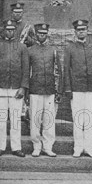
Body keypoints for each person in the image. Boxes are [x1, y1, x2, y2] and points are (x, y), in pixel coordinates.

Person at [64, 19, 92, 158]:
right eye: (79, 30)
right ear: (75, 32)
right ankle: (78, 147)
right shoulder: (70, 48)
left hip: (91, 87)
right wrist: (68, 88)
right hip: (76, 88)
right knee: (78, 118)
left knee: (90, 118)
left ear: (87, 31)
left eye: (84, 30)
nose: (81, 32)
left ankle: (89, 148)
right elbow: (66, 69)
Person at [0, 19, 29, 157]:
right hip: (1, 87)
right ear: (4, 31)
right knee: (1, 119)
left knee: (15, 119)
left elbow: (26, 69)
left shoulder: (22, 47)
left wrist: (23, 87)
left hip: (16, 88)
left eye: (12, 29)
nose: (10, 32)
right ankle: (0, 146)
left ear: (15, 31)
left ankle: (16, 147)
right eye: (7, 29)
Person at [28, 23, 61, 157]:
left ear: (47, 34)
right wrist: (26, 90)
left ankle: (48, 146)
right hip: (35, 89)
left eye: (44, 33)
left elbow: (59, 71)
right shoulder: (30, 50)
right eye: (39, 34)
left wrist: (59, 90)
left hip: (50, 89)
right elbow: (26, 71)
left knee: (49, 119)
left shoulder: (53, 50)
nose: (42, 36)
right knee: (35, 120)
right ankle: (36, 145)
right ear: (36, 35)